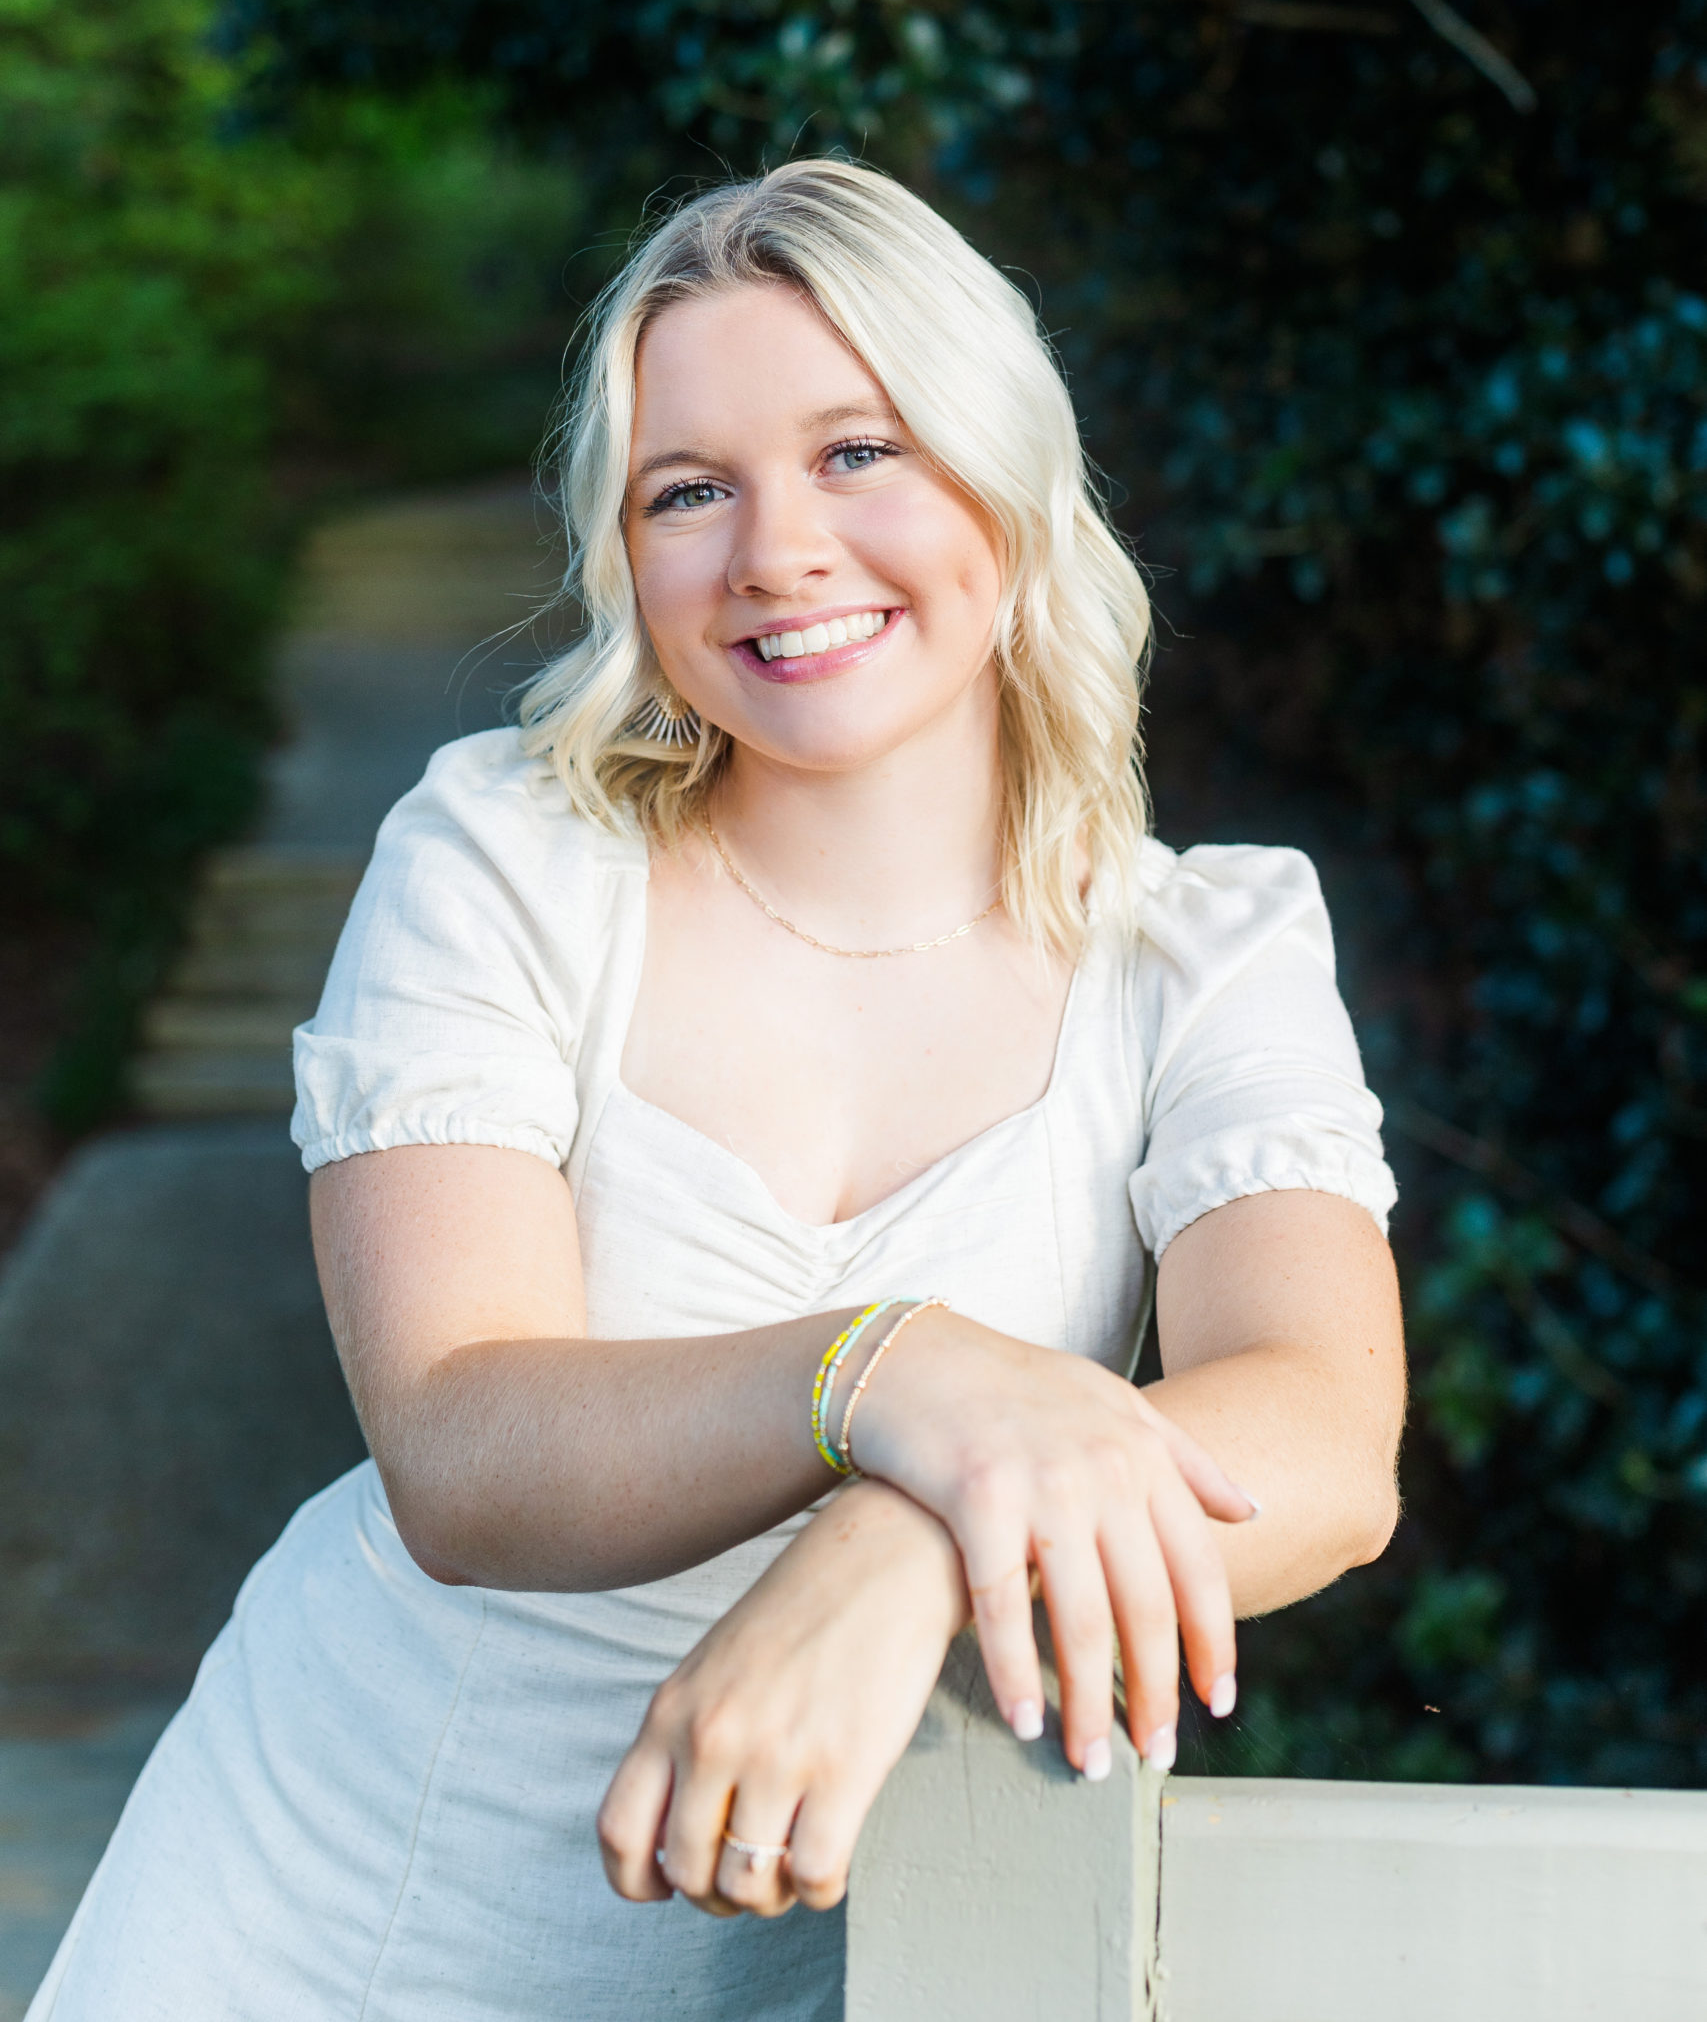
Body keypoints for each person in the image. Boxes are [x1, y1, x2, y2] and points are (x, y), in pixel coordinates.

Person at [29, 161, 1405, 2021]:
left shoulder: (1207, 953)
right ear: (631, 555)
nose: (777, 552)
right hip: (324, 1912)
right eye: (693, 490)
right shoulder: (506, 855)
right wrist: (903, 1376)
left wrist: (912, 1525)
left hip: (839, 1952)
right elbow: (458, 1447)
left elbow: (1328, 1438)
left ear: (1004, 484)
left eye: (859, 453)